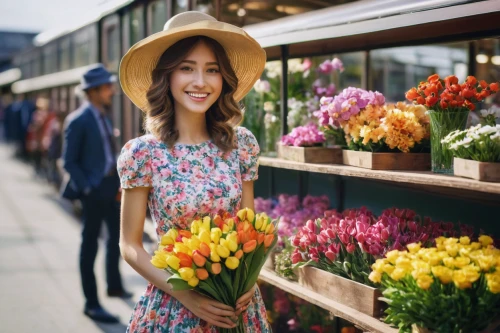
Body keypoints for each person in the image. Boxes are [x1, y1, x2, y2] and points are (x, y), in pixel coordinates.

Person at [117, 11, 269, 332]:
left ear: (222, 79)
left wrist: (249, 281)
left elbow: (248, 229)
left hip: (238, 306)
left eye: (211, 70)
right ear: (167, 77)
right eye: (187, 68)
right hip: (174, 307)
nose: (200, 82)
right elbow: (130, 246)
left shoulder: (241, 144)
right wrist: (187, 296)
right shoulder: (144, 153)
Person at [61, 64, 132, 324]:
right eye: (106, 87)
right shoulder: (78, 120)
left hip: (111, 188)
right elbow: (68, 162)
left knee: (117, 239)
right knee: (89, 246)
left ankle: (114, 285)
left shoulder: (103, 115)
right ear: (92, 92)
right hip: (93, 191)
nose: (111, 91)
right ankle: (91, 303)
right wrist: (88, 188)